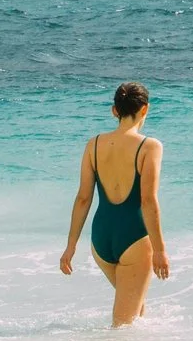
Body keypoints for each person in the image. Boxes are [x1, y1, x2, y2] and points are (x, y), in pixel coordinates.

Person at [59, 80, 170, 325]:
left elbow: (83, 198)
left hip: (101, 240)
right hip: (134, 239)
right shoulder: (149, 147)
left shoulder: (93, 145)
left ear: (114, 111)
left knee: (133, 307)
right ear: (145, 109)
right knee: (123, 325)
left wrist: (71, 246)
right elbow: (148, 201)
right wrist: (160, 250)